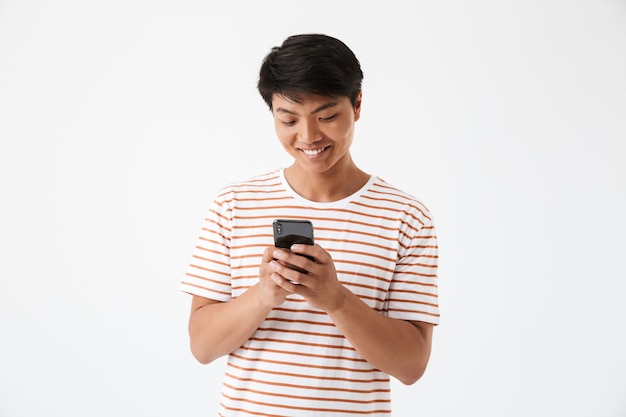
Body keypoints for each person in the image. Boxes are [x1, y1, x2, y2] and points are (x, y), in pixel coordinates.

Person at [181, 33, 439, 416]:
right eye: (288, 119)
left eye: (327, 116)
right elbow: (202, 347)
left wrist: (335, 298)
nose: (308, 136)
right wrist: (264, 295)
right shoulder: (233, 205)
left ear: (358, 105)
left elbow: (411, 365)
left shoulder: (406, 217)